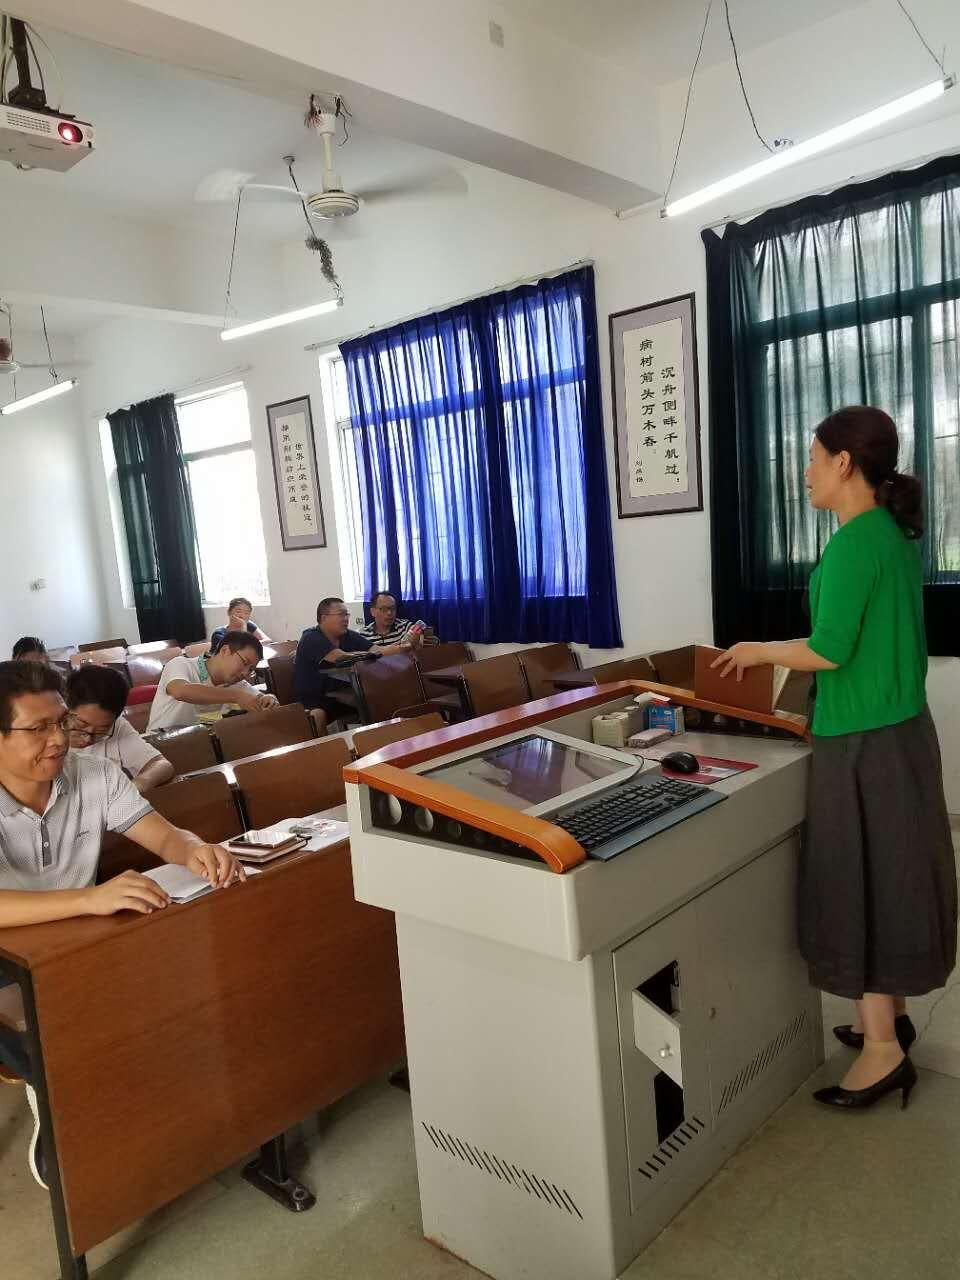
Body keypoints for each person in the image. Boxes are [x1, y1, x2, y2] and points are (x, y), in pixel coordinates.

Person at [712, 405, 956, 1112]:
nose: (807, 472)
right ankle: (890, 1017)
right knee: (895, 875)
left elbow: (829, 649)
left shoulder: (855, 543)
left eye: (815, 459)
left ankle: (882, 1050)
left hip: (863, 741)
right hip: (901, 732)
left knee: (863, 881)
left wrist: (756, 650)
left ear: (845, 463)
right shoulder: (892, 535)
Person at [0, 660, 245, 1187]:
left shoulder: (93, 774)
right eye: (37, 728)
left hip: (80, 935)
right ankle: (51, 1097)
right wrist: (89, 899)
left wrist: (195, 849)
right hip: (7, 952)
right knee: (43, 1026)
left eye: (60, 722)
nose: (58, 740)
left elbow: (163, 835)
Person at [292, 597, 418, 733]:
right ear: (324, 618)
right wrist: (371, 654)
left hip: (342, 694)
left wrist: (404, 647)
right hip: (314, 698)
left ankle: (392, 736)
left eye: (347, 614)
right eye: (341, 614)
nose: (346, 619)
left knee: (381, 698)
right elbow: (341, 657)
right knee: (366, 703)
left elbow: (378, 650)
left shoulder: (348, 635)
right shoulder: (311, 637)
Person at [66, 665, 175, 792]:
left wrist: (135, 787)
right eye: (81, 725)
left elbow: (161, 765)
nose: (87, 739)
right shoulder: (48, 739)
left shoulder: (117, 726)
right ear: (64, 707)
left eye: (101, 731)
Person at [147, 631, 277, 733]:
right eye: (244, 662)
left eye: (251, 669)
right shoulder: (181, 664)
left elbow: (260, 699)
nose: (245, 673)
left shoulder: (237, 683)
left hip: (198, 743)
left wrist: (268, 699)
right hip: (159, 743)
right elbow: (180, 691)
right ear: (225, 650)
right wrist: (236, 696)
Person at [360, 591, 431, 647]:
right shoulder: (363, 635)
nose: (389, 613)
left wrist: (419, 641)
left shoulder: (405, 627)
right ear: (373, 612)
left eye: (393, 608)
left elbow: (427, 640)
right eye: (384, 609)